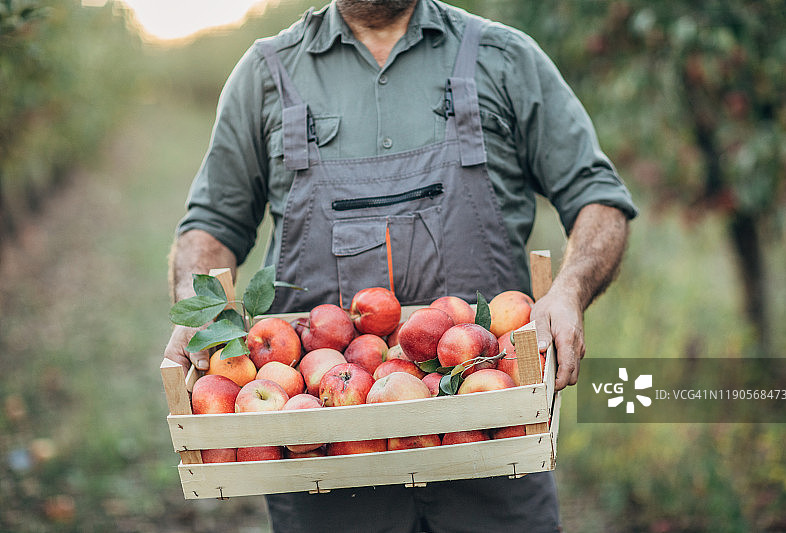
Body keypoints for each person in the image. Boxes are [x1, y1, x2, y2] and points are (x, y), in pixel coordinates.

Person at [164, 1, 637, 531]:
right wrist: (198, 302)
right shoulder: (267, 74)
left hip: (493, 443)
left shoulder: (503, 59)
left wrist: (569, 291)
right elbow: (211, 223)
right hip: (323, 455)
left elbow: (598, 197)